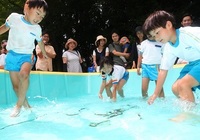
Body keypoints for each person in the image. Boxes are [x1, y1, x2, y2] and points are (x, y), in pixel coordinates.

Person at [0, 0, 48, 117]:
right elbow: (4, 28)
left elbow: (40, 41)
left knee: (24, 74)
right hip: (11, 56)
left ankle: (18, 105)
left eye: (42, 16)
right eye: (38, 13)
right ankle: (26, 105)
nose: (39, 18)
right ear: (26, 8)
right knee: (16, 86)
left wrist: (44, 52)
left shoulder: (37, 28)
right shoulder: (14, 18)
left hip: (26, 56)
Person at [142, 10, 200, 105]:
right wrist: (155, 94)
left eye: (157, 33)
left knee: (183, 84)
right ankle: (192, 107)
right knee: (175, 88)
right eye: (153, 36)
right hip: (193, 64)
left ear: (168, 25)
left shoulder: (187, 34)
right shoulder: (168, 47)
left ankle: (188, 114)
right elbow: (163, 71)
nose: (156, 38)